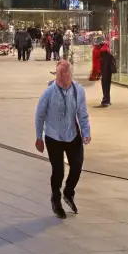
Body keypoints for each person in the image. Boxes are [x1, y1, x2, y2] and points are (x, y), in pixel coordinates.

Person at [34, 60, 91, 219]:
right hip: (53, 136)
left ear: (71, 74)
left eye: (67, 73)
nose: (64, 77)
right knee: (58, 170)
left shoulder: (78, 90)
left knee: (77, 166)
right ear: (56, 74)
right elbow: (40, 116)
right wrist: (39, 138)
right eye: (60, 74)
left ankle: (68, 192)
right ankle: (56, 199)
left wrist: (86, 132)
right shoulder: (48, 93)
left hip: (73, 134)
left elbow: (83, 114)